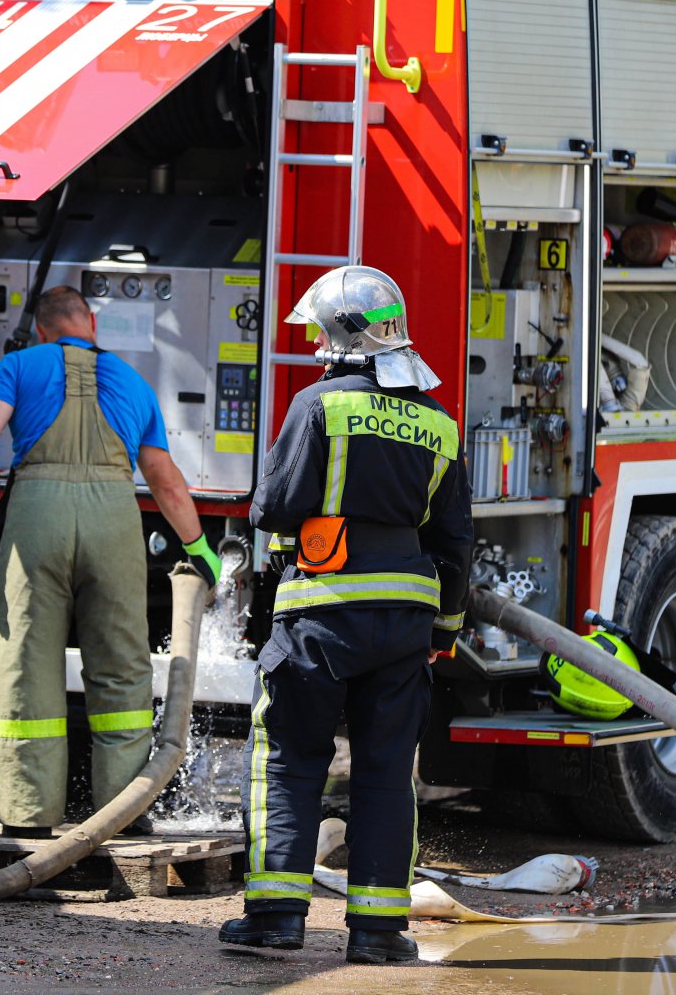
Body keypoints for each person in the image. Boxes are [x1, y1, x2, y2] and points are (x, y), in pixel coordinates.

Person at [219, 265, 471, 965]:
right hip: (404, 625)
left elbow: (272, 508)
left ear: (339, 333)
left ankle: (275, 921)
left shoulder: (319, 405)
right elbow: (455, 541)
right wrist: (443, 633)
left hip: (319, 618)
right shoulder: (438, 422)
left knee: (290, 760)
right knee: (388, 772)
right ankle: (380, 934)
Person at [0, 286, 220, 837]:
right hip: (114, 519)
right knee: (120, 662)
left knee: (26, 658)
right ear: (90, 322)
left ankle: (26, 812)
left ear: (43, 329)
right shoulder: (133, 382)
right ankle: (124, 809)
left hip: (37, 515)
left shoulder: (18, 366)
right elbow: (164, 478)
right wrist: (198, 547)